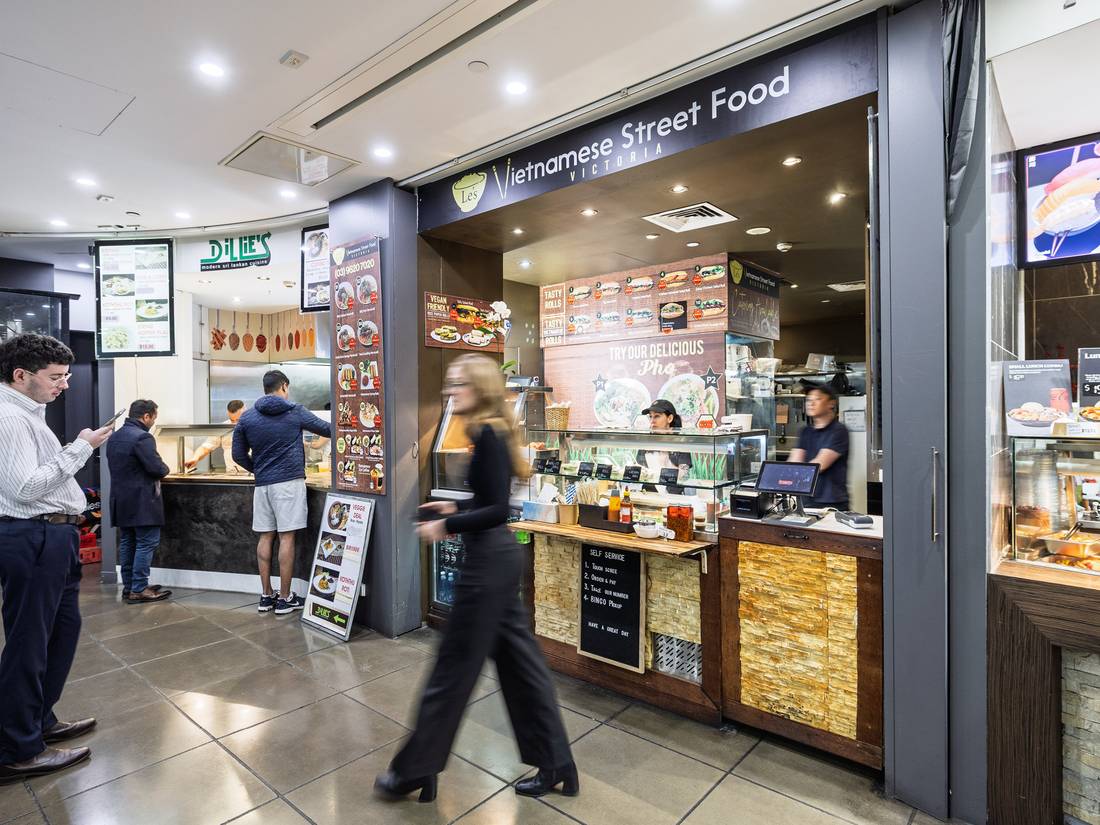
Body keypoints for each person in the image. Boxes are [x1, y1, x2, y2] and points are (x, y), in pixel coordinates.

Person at [375, 354, 576, 804]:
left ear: (480, 388)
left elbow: (498, 511)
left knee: (452, 669)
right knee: (521, 668)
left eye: (458, 383)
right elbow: (489, 499)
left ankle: (415, 770)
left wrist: (446, 525)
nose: (450, 391)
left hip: (486, 565)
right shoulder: (494, 431)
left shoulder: (487, 433)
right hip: (498, 560)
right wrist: (454, 507)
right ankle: (557, 764)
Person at [0, 334, 113, 781]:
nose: (64, 385)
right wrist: (82, 447)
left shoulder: (29, 413)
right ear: (20, 375)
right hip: (32, 535)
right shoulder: (10, 418)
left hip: (54, 535)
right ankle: (16, 748)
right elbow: (26, 488)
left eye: (66, 376)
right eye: (56, 377)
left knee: (60, 632)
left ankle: (38, 721)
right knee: (29, 641)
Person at [232, 370, 331, 615]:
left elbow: (237, 454)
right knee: (287, 538)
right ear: (284, 386)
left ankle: (266, 596)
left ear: (265, 388)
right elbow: (328, 429)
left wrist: (258, 469)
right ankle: (285, 598)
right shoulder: (295, 411)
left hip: (263, 485)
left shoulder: (247, 417)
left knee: (265, 537)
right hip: (288, 484)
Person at [105, 399, 172, 603]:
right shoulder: (142, 437)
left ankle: (129, 586)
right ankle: (140, 588)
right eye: (153, 418)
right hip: (142, 501)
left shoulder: (115, 436)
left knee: (128, 542)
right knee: (146, 543)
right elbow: (157, 468)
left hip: (120, 500)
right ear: (146, 416)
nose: (153, 422)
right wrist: (166, 468)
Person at [788, 384, 850, 510]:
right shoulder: (805, 431)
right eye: (808, 400)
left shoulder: (838, 430)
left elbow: (818, 466)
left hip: (832, 503)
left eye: (817, 399)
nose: (811, 403)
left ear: (831, 404)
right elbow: (793, 463)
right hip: (806, 499)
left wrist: (792, 473)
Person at [636, 399, 692, 494]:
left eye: (657, 416)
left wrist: (666, 465)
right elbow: (640, 469)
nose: (652, 421)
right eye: (650, 416)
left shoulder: (681, 443)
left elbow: (684, 476)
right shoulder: (646, 443)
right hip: (648, 495)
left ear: (669, 418)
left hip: (673, 497)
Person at [185, 400, 245, 472]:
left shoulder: (253, 426)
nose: (234, 423)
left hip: (252, 473)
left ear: (245, 411)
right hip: (232, 472)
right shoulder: (224, 427)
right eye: (232, 420)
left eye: (238, 420)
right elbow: (206, 447)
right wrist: (195, 458)